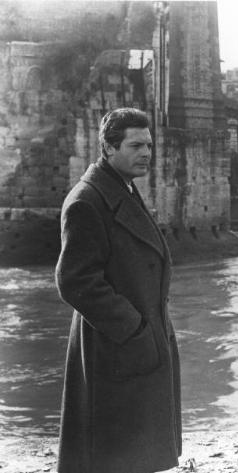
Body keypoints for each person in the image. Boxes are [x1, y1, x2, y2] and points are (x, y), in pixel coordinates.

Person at [55, 108, 181, 473]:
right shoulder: (87, 201)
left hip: (135, 343)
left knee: (136, 451)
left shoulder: (121, 189)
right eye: (136, 145)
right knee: (113, 453)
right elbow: (75, 281)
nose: (146, 153)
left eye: (150, 145)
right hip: (114, 347)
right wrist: (134, 328)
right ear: (108, 148)